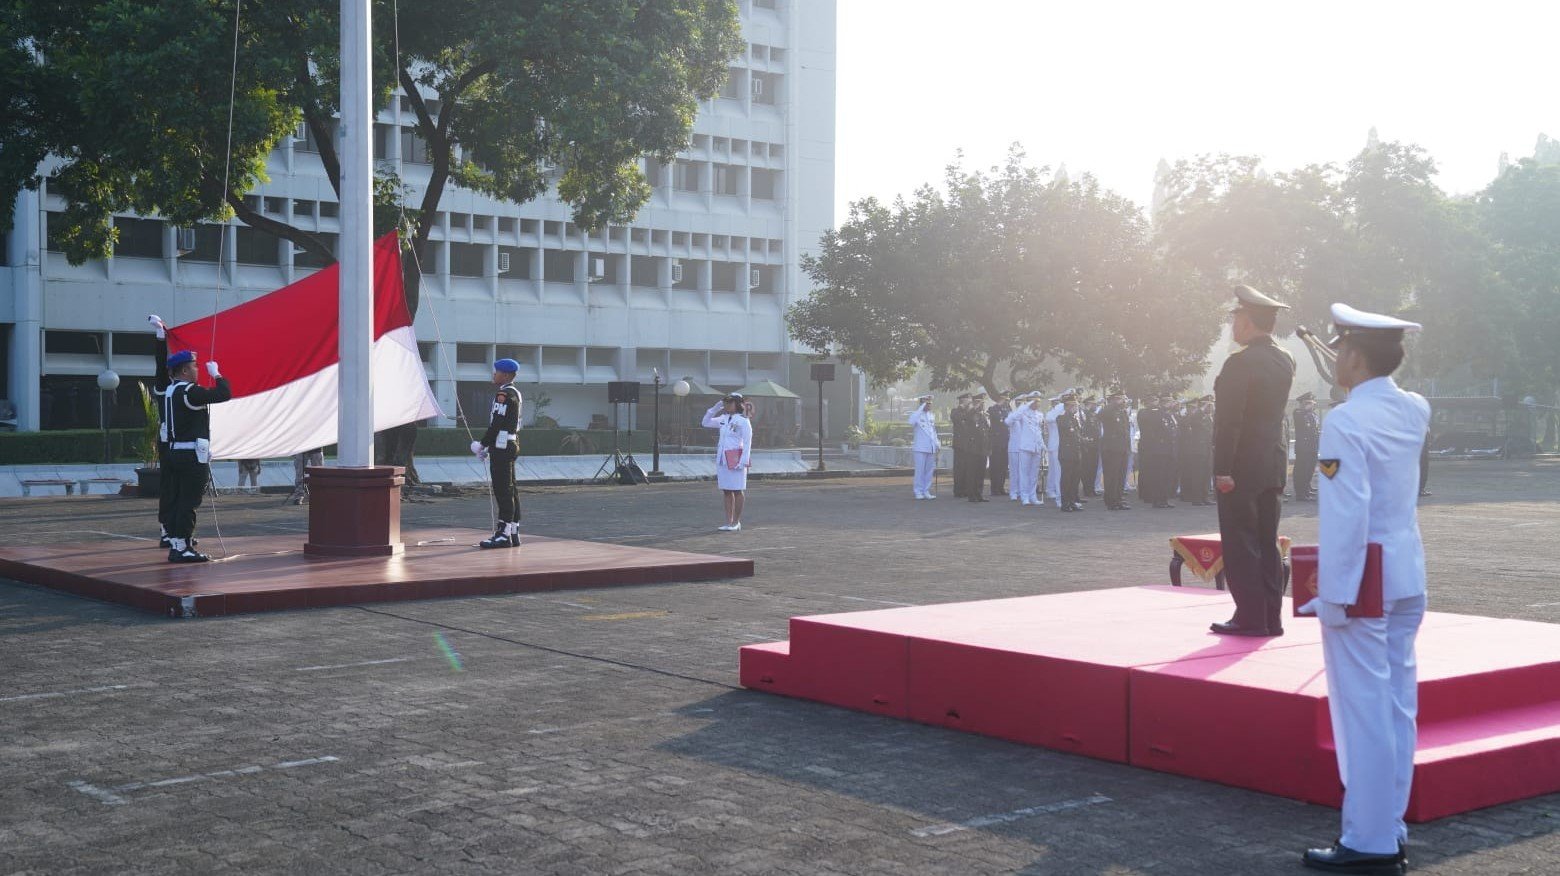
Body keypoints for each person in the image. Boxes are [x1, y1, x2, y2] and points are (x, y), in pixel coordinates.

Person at [1297, 303, 1429, 876]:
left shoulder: (1345, 422)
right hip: (1405, 573)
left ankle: (1370, 841)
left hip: (1363, 585)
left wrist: (1334, 595)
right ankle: (1388, 826)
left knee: (1364, 715)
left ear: (1351, 356)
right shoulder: (1417, 407)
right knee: (1398, 707)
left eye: (1339, 350)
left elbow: (1347, 514)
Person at [1211, 284, 1296, 637]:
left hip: (1241, 466)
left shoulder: (1240, 363)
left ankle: (1249, 616)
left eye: (1237, 319)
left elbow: (1229, 421)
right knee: (1267, 541)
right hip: (1272, 463)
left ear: (1248, 322)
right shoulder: (1285, 358)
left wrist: (1222, 469)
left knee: (1241, 541)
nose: (1233, 327)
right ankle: (1270, 617)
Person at [159, 350, 233, 562]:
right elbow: (224, 393)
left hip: (174, 452)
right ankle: (183, 547)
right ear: (184, 370)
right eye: (194, 366)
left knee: (177, 500)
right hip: (190, 456)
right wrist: (217, 374)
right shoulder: (190, 392)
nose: (197, 369)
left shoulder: (171, 390)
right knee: (188, 503)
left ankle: (177, 543)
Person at [472, 358, 523, 549]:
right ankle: (514, 530)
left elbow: (497, 424)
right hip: (510, 443)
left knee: (503, 490)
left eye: (497, 371)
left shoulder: (503, 394)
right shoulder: (515, 393)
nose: (494, 374)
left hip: (502, 446)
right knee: (511, 489)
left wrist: (482, 444)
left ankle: (503, 534)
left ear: (507, 375)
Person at [147, 315, 178, 548]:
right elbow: (160, 364)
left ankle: (180, 531)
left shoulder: (187, 389)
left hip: (185, 444)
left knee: (183, 489)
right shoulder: (164, 387)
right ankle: (166, 530)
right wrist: (160, 337)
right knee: (169, 487)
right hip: (168, 443)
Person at [703, 393, 753, 530]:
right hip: (723, 459)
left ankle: (736, 522)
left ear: (737, 404)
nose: (727, 405)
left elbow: (748, 443)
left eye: (730, 403)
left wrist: (743, 462)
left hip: (736, 459)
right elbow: (705, 422)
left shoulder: (743, 420)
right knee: (726, 491)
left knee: (737, 490)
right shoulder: (723, 419)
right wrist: (715, 407)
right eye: (725, 403)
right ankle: (729, 521)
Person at [1004, 393, 1045, 506]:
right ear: (1030, 402)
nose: (1038, 404)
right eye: (1035, 401)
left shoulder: (1040, 415)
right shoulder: (1022, 413)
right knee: (1024, 473)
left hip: (1036, 447)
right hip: (1025, 447)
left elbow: (1038, 431)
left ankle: (1032, 496)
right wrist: (1023, 407)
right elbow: (1008, 421)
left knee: (1034, 474)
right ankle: (1024, 496)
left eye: (1039, 401)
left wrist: (1042, 445)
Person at [1099, 389, 1132, 511]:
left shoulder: (1122, 411)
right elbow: (1100, 415)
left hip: (1122, 448)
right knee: (1111, 476)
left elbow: (1126, 430)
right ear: (1113, 400)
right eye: (1119, 399)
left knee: (1121, 476)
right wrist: (1113, 403)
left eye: (1122, 399)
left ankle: (1118, 498)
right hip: (1111, 449)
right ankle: (1111, 501)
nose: (1122, 401)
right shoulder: (1108, 410)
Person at [1056, 392, 1084, 512]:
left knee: (1075, 479)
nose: (1076, 408)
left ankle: (1072, 501)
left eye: (1076, 406)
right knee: (1067, 479)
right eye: (1073, 406)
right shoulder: (1062, 418)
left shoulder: (1074, 419)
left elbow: (1077, 435)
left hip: (1076, 453)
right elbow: (1069, 433)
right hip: (1067, 454)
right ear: (1067, 406)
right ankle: (1065, 502)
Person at [908, 394, 940, 500]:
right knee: (920, 471)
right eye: (927, 403)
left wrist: (937, 443)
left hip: (930, 447)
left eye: (930, 403)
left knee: (929, 471)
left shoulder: (931, 415)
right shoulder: (916, 415)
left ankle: (926, 490)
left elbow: (933, 431)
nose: (930, 406)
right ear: (922, 404)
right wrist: (920, 408)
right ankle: (918, 491)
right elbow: (911, 421)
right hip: (920, 448)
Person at [1293, 391, 1322, 501]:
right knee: (1302, 470)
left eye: (1312, 403)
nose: (1311, 405)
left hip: (1313, 446)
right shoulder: (1298, 412)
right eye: (1308, 403)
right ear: (1302, 403)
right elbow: (1302, 422)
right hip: (1303, 448)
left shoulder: (1313, 414)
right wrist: (1305, 408)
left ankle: (1306, 488)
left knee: (1310, 469)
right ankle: (1301, 493)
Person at [964, 392, 989, 503]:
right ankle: (971, 494)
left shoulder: (983, 414)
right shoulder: (970, 413)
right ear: (975, 403)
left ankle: (979, 493)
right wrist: (975, 408)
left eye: (982, 403)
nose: (982, 405)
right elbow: (969, 417)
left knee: (981, 472)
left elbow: (986, 430)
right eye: (979, 402)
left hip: (982, 448)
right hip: (973, 448)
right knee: (972, 472)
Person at [986, 392, 1010, 498]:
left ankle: (1001, 487)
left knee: (1003, 466)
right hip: (996, 442)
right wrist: (1001, 405)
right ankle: (994, 488)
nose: (1007, 402)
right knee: (995, 465)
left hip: (1005, 441)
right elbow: (999, 420)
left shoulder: (1007, 410)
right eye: (1005, 400)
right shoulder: (993, 409)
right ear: (1000, 399)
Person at [950, 393, 973, 498]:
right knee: (960, 469)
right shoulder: (955, 411)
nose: (970, 401)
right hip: (959, 445)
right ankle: (958, 490)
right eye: (968, 399)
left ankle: (967, 489)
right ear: (963, 400)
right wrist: (962, 407)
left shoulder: (970, 411)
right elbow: (957, 418)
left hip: (969, 445)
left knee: (968, 469)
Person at [1043, 394, 1065, 506]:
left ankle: (1051, 490)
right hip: (1055, 445)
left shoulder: (1062, 413)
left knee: (1054, 471)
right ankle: (1058, 495)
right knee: (1057, 472)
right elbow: (1050, 419)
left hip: (1058, 446)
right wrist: (1059, 408)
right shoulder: (1052, 413)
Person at [1079, 394, 1101, 498]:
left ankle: (1091, 489)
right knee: (1087, 468)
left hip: (1095, 445)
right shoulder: (1084, 414)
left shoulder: (1094, 415)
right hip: (1087, 445)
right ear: (1089, 404)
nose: (1096, 406)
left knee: (1094, 468)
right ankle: (1087, 489)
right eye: (1094, 404)